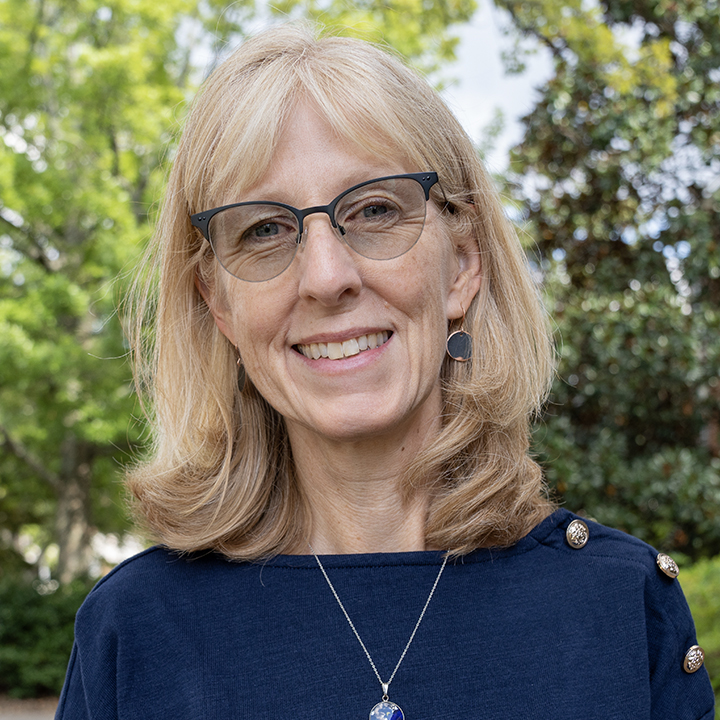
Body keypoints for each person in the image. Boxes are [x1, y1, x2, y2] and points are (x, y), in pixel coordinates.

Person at [56, 24, 714, 720]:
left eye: (374, 210)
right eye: (264, 230)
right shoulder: (138, 631)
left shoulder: (619, 605)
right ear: (218, 303)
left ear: (462, 265)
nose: (326, 277)